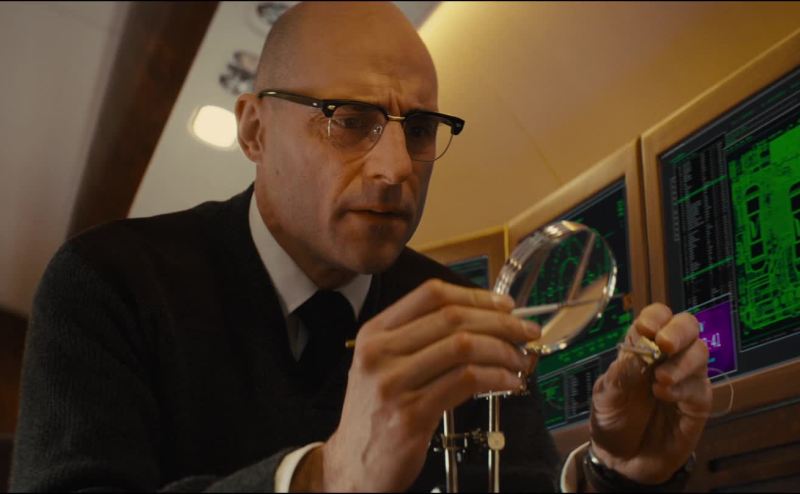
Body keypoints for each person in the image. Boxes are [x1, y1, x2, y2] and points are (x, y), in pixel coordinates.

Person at [10, 2, 712, 492]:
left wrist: (618, 473)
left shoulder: (462, 311)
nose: (396, 168)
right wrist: (324, 477)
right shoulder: (107, 284)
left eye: (420, 129)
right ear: (254, 130)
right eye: (348, 120)